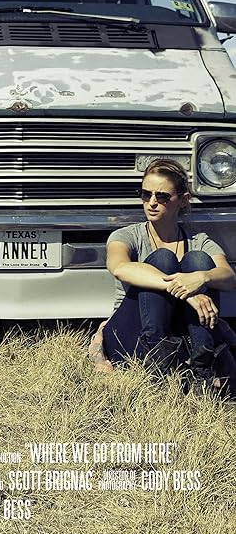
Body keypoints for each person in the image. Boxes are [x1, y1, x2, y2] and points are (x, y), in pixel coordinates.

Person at [97, 158, 236, 389]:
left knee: (199, 260)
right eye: (145, 194)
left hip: (181, 334)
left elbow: (229, 277)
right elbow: (119, 267)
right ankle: (156, 362)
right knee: (163, 259)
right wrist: (186, 292)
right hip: (134, 332)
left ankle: (201, 365)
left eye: (162, 196)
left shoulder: (199, 241)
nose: (152, 202)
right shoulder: (126, 236)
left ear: (183, 200)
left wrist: (200, 278)